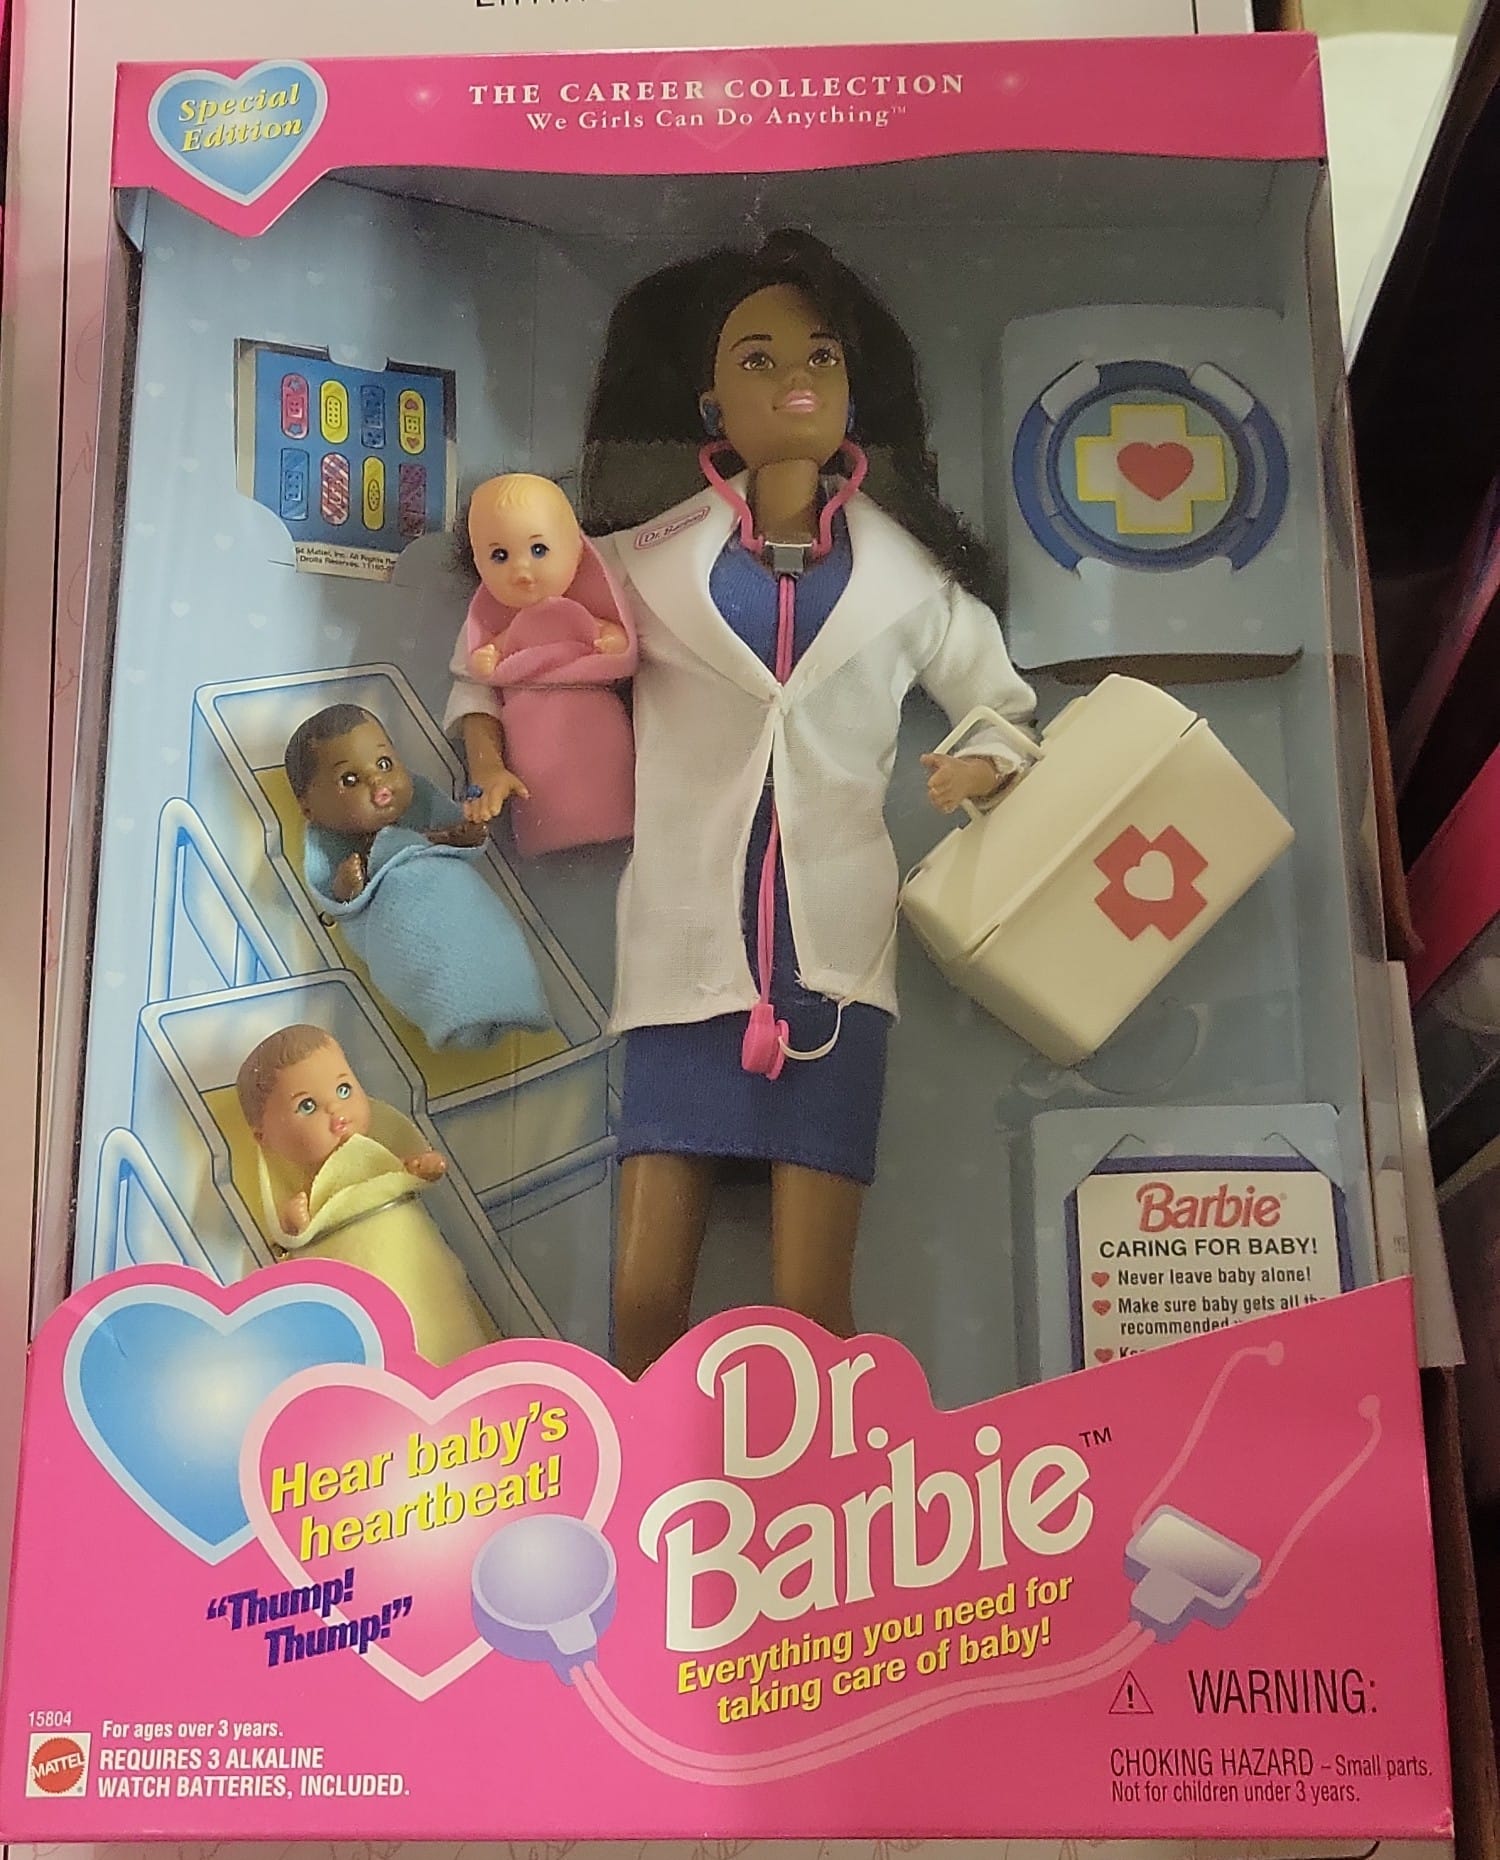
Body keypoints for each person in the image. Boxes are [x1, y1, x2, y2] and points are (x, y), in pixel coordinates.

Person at [446, 230, 1036, 1377]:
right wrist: (487, 752)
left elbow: (1005, 708)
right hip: (681, 960)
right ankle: (647, 1466)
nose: (794, 379)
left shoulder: (911, 579)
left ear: (854, 386)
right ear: (711, 400)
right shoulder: (641, 563)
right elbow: (494, 648)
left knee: (813, 1306)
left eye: (820, 355)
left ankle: (821, 1478)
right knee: (642, 1295)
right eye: (757, 360)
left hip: (838, 964)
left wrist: (980, 763)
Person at [237, 1024, 497, 1365]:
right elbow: (293, 1238)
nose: (336, 1111)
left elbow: (407, 1175)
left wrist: (423, 1169)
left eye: (343, 1089)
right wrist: (294, 1223)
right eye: (307, 1106)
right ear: (264, 1136)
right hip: (354, 1283)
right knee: (379, 1347)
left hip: (416, 1263)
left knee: (444, 1322)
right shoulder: (305, 1195)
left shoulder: (382, 1160)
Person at [453, 473, 637, 858]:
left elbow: (617, 645)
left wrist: (611, 644)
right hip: (530, 746)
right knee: (544, 809)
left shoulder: (595, 605)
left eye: (539, 550)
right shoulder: (486, 627)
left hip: (595, 727)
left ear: (576, 548)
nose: (522, 572)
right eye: (499, 557)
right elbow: (474, 689)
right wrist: (487, 767)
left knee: (611, 796)